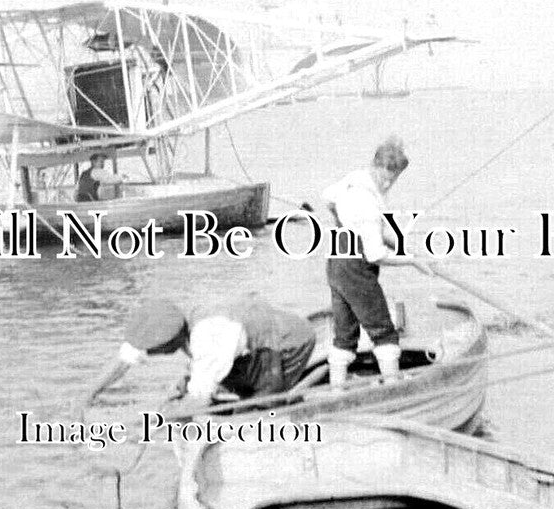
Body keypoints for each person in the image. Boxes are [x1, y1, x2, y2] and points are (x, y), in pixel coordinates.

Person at [85, 296, 318, 409]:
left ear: (170, 344)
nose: (149, 354)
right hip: (247, 341)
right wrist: (87, 396)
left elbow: (199, 400)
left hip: (288, 343)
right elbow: (124, 360)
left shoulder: (206, 337)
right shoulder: (176, 320)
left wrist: (163, 419)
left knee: (257, 406)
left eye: (153, 350)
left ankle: (289, 407)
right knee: (219, 383)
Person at [322, 136, 412, 386]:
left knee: (344, 335)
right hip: (357, 271)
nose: (386, 183)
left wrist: (403, 246)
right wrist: (413, 262)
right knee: (384, 332)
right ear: (376, 165)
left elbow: (327, 197)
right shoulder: (368, 204)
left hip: (336, 264)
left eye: (392, 180)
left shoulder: (354, 180)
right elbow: (377, 255)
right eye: (384, 176)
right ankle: (393, 389)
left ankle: (336, 393)